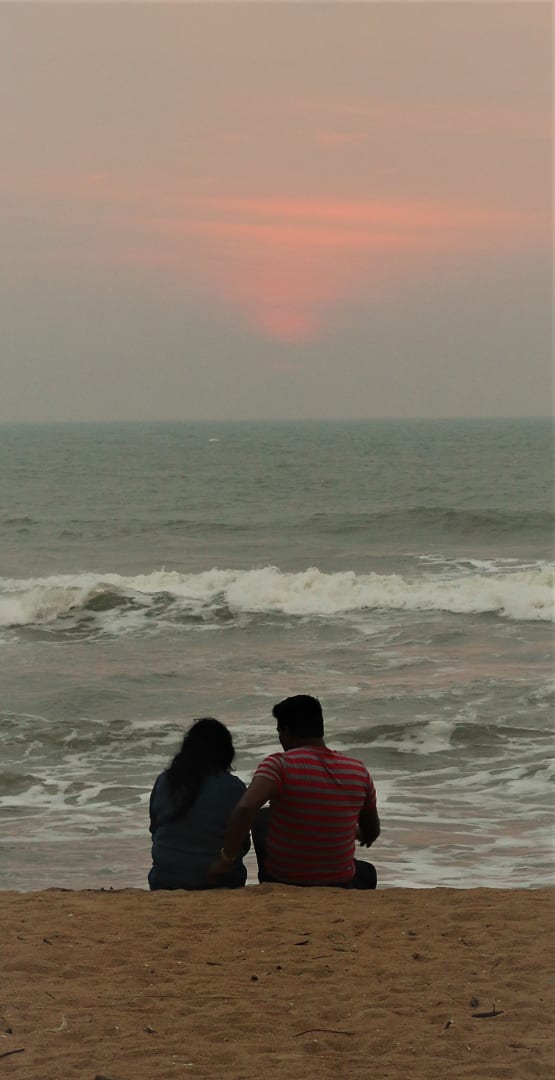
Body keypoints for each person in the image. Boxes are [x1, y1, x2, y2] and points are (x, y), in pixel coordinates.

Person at [209, 695, 380, 889]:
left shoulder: (279, 765)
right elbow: (372, 832)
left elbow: (245, 808)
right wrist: (355, 832)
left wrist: (227, 859)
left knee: (263, 816)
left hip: (284, 878)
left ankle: (269, 879)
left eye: (279, 732)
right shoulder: (357, 770)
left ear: (287, 731)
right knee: (367, 871)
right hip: (340, 880)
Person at [148, 717, 249, 890]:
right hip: (218, 879)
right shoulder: (234, 787)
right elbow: (242, 843)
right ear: (226, 752)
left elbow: (155, 829)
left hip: (166, 880)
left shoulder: (164, 781)